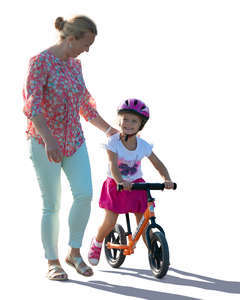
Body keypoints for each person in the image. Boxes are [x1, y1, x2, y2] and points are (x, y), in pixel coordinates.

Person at [23, 15, 118, 281]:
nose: (87, 51)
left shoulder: (75, 66)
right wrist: (49, 140)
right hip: (44, 143)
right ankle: (53, 261)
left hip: (74, 140)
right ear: (70, 38)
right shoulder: (40, 62)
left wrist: (109, 129)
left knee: (84, 194)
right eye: (85, 44)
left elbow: (85, 106)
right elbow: (34, 107)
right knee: (51, 204)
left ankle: (74, 253)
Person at [87, 98, 175, 266]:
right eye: (125, 119)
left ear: (140, 125)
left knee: (143, 221)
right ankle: (97, 242)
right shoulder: (113, 142)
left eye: (134, 121)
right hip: (116, 185)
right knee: (111, 220)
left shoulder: (142, 145)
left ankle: (154, 252)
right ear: (119, 120)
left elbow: (157, 163)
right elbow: (113, 164)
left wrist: (166, 179)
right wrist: (120, 181)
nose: (128, 123)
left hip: (137, 185)